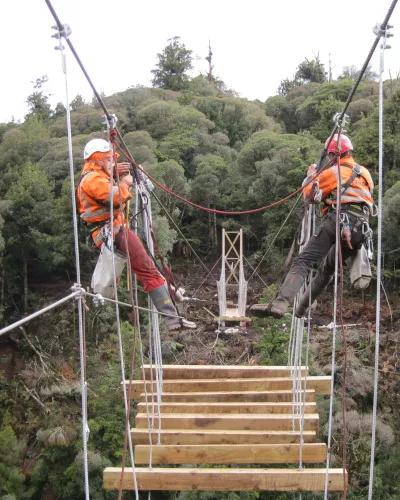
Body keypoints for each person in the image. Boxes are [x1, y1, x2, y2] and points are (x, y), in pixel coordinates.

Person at [77, 138, 196, 330]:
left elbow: (109, 185)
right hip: (113, 233)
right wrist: (125, 181)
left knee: (149, 266)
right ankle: (172, 318)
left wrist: (118, 173)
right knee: (147, 269)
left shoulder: (99, 176)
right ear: (97, 160)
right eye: (108, 159)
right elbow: (115, 197)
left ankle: (172, 295)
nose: (112, 163)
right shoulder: (92, 179)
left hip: (116, 232)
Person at [252, 133, 374, 318]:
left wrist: (310, 176)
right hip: (360, 230)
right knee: (327, 270)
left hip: (338, 221)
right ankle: (301, 309)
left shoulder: (336, 171)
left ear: (334, 155)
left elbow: (309, 195)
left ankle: (280, 303)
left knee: (304, 261)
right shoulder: (365, 173)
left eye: (330, 156)